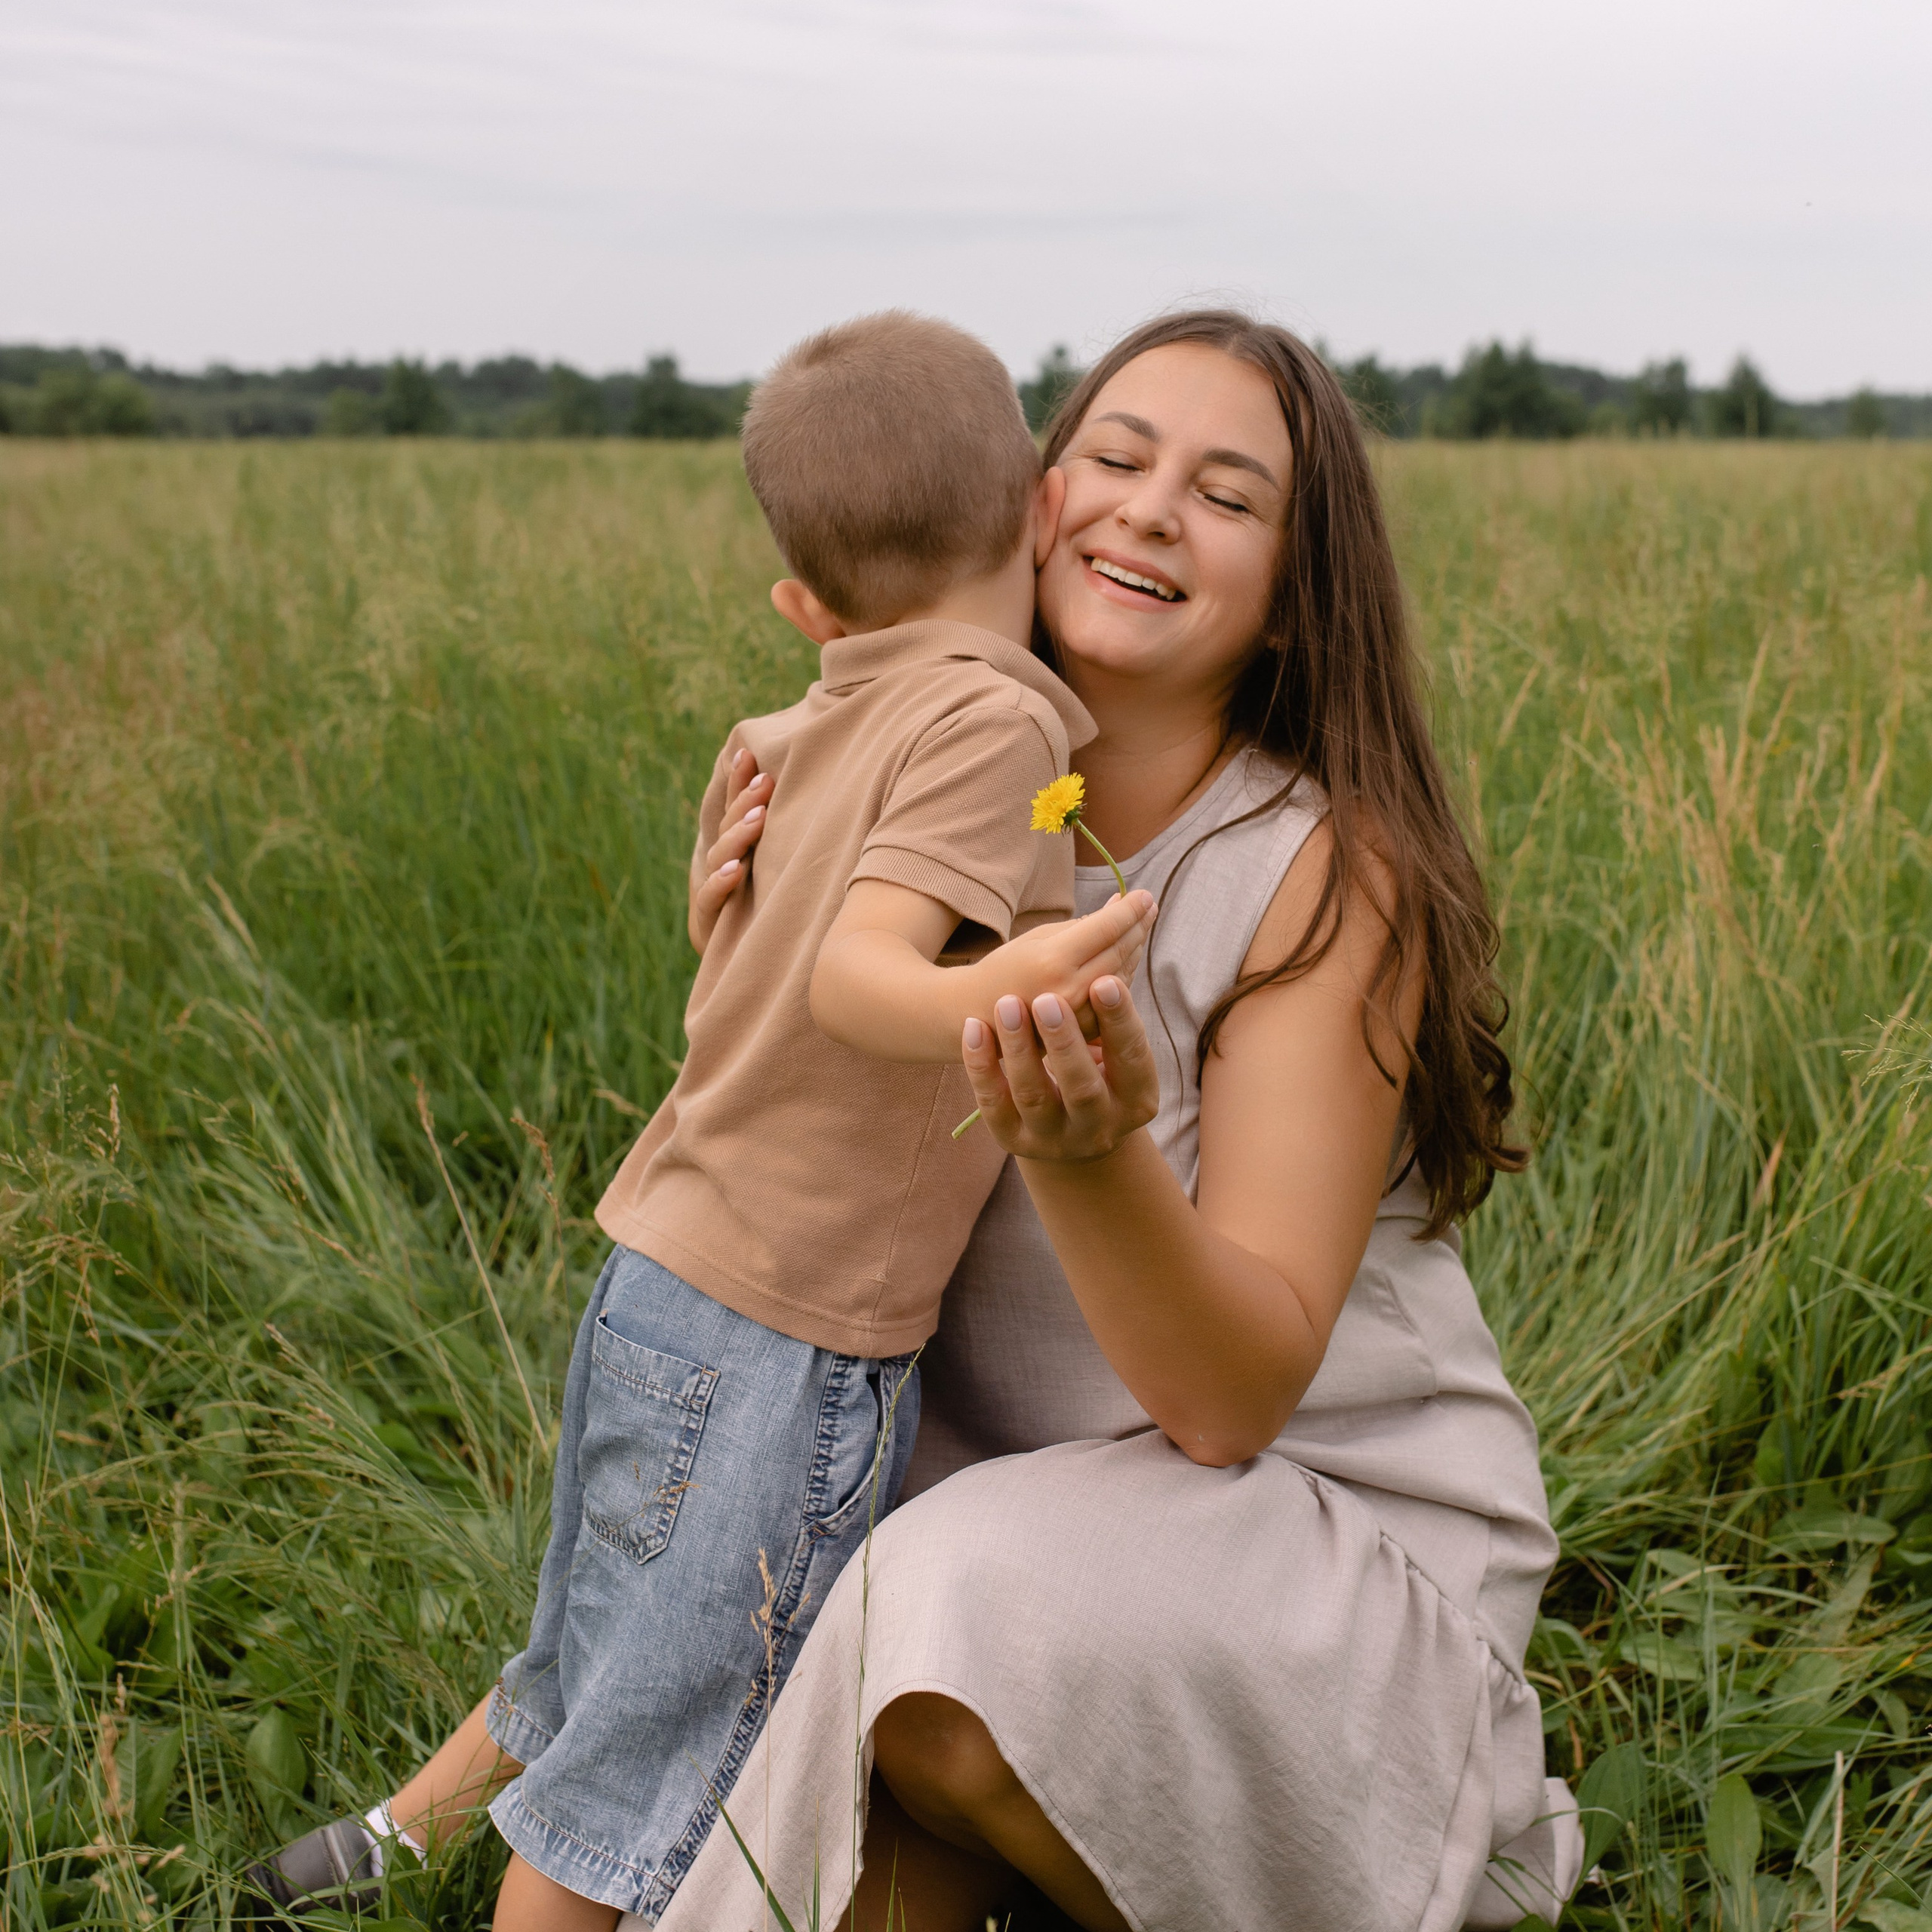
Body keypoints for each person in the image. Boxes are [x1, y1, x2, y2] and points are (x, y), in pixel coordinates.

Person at [648, 310, 1582, 1932]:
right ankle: (476, 1799)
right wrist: (744, 972)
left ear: (1297, 592)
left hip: (1307, 1541)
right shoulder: (913, 807)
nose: (1151, 508)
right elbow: (769, 1280)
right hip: (982, 1528)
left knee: (932, 1615)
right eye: (1114, 457)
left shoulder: (1315, 872)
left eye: (1227, 495)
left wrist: (1084, 1153)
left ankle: (1384, 1832)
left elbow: (1229, 1400)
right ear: (1027, 503)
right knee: (793, 1567)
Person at [239, 312, 1155, 1930]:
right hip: (783, 1327)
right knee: (662, 1744)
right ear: (1034, 512)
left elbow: (758, 982)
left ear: (803, 605)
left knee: (602, 1631)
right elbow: (856, 980)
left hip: (663, 1264)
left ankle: (386, 1851)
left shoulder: (786, 732)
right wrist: (1014, 981)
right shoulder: (994, 717)